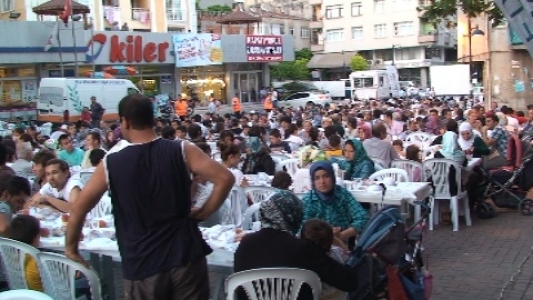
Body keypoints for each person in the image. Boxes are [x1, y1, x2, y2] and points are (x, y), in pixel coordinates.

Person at [65, 94, 235, 300]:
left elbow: (79, 208)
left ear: (125, 121)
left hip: (142, 260)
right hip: (185, 255)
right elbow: (225, 178)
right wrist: (203, 212)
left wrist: (71, 249)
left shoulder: (111, 163)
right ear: (152, 119)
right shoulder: (181, 149)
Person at [234, 190, 362, 300]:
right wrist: (340, 245)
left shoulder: (245, 244)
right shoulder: (303, 249)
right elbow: (350, 282)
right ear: (294, 216)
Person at [302, 161, 369, 248]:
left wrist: (342, 235)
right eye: (317, 178)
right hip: (317, 248)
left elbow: (363, 217)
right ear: (313, 181)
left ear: (333, 177)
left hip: (342, 246)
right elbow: (302, 229)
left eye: (326, 176)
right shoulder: (309, 200)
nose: (322, 182)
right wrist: (327, 235)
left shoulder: (342, 194)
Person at [301, 219, 349, 300]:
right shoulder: (336, 252)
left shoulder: (302, 261)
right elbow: (347, 253)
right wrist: (335, 239)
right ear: (331, 240)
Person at [9, 215, 43, 291]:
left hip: (21, 292)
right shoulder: (36, 262)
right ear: (36, 237)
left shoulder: (9, 255)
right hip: (42, 296)